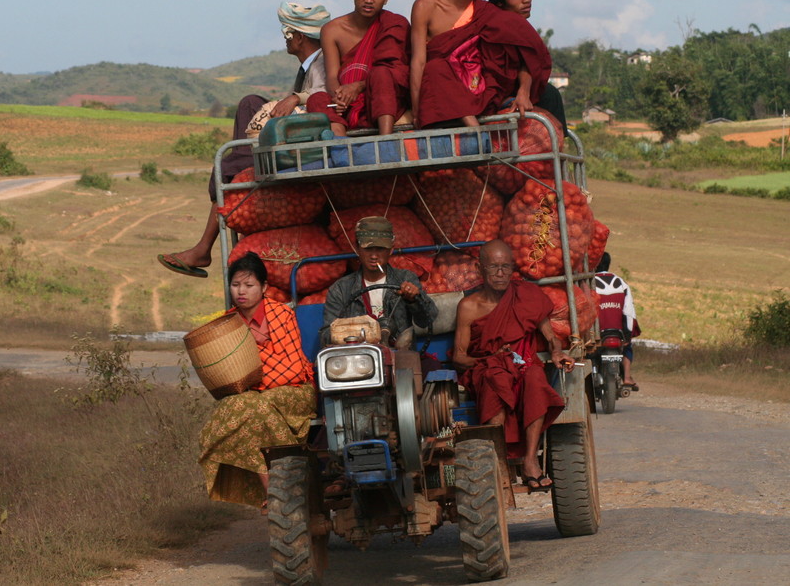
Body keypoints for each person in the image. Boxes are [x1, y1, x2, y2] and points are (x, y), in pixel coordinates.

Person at [158, 2, 331, 278]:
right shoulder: (307, 67)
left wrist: (297, 97)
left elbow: (327, 96)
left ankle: (206, 241)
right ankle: (241, 167)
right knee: (250, 103)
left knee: (229, 168)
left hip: (304, 140)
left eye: (287, 34)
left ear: (298, 37)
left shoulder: (322, 62)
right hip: (294, 131)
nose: (285, 40)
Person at [452, 240, 573, 493]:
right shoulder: (469, 307)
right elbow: (460, 358)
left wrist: (557, 352)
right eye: (494, 267)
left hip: (524, 363)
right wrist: (490, 358)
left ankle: (530, 460)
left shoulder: (526, 296)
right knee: (496, 378)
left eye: (506, 267)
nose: (500, 274)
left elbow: (550, 335)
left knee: (535, 379)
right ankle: (499, 460)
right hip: (487, 366)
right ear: (479, 268)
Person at [199, 252, 317, 508]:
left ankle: (275, 489)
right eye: (235, 285)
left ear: (263, 288)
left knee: (249, 405)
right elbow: (225, 375)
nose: (241, 291)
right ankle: (273, 488)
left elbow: (293, 370)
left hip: (295, 393)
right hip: (254, 400)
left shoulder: (282, 315)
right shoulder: (227, 323)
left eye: (249, 285)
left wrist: (252, 376)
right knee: (235, 408)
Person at [409, 0, 551, 130]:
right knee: (437, 67)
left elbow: (524, 54)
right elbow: (418, 61)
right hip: (441, 86)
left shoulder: (489, 14)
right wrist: (416, 109)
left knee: (550, 95)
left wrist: (523, 91)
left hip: (479, 87)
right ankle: (476, 131)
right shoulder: (425, 6)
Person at [305, 0, 411, 136]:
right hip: (347, 103)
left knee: (382, 74)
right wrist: (339, 97)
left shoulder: (395, 24)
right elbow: (332, 76)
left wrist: (358, 86)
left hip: (382, 98)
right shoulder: (332, 30)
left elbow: (397, 71)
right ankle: (340, 146)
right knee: (316, 99)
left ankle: (386, 141)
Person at [483, 0, 568, 135]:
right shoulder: (493, 22)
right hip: (490, 94)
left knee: (550, 93)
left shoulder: (517, 26)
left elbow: (527, 61)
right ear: (499, 1)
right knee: (550, 95)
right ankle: (559, 149)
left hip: (514, 90)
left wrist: (524, 91)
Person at [320, 216, 437, 347]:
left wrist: (414, 300)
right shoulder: (341, 289)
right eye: (368, 249)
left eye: (380, 249)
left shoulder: (406, 279)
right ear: (357, 249)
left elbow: (427, 320)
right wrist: (356, 333)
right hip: (359, 360)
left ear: (391, 249)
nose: (374, 256)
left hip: (400, 355)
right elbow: (326, 336)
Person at [594, 252, 641, 389]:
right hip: (618, 333)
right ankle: (626, 377)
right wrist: (628, 335)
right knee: (628, 348)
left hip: (597, 333)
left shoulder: (590, 283)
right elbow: (628, 311)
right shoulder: (621, 283)